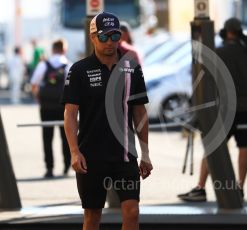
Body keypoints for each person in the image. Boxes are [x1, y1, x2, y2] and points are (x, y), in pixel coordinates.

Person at [62, 12, 153, 230]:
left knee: (132, 212)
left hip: (125, 156)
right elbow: (70, 114)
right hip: (91, 157)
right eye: (103, 37)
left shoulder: (132, 68)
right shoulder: (79, 70)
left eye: (115, 36)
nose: (110, 42)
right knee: (92, 216)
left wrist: (146, 153)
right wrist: (74, 151)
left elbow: (139, 112)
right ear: (92, 37)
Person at [178, 18, 247, 201]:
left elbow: (207, 81)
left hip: (224, 108)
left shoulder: (218, 53)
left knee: (212, 146)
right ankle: (240, 187)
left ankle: (200, 188)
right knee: (244, 147)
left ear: (226, 32)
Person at [31, 39, 71, 178]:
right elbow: (71, 88)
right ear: (64, 50)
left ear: (53, 49)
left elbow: (34, 84)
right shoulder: (68, 65)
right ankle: (67, 165)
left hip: (46, 106)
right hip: (62, 106)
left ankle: (49, 168)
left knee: (47, 137)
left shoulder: (43, 65)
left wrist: (39, 98)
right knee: (65, 136)